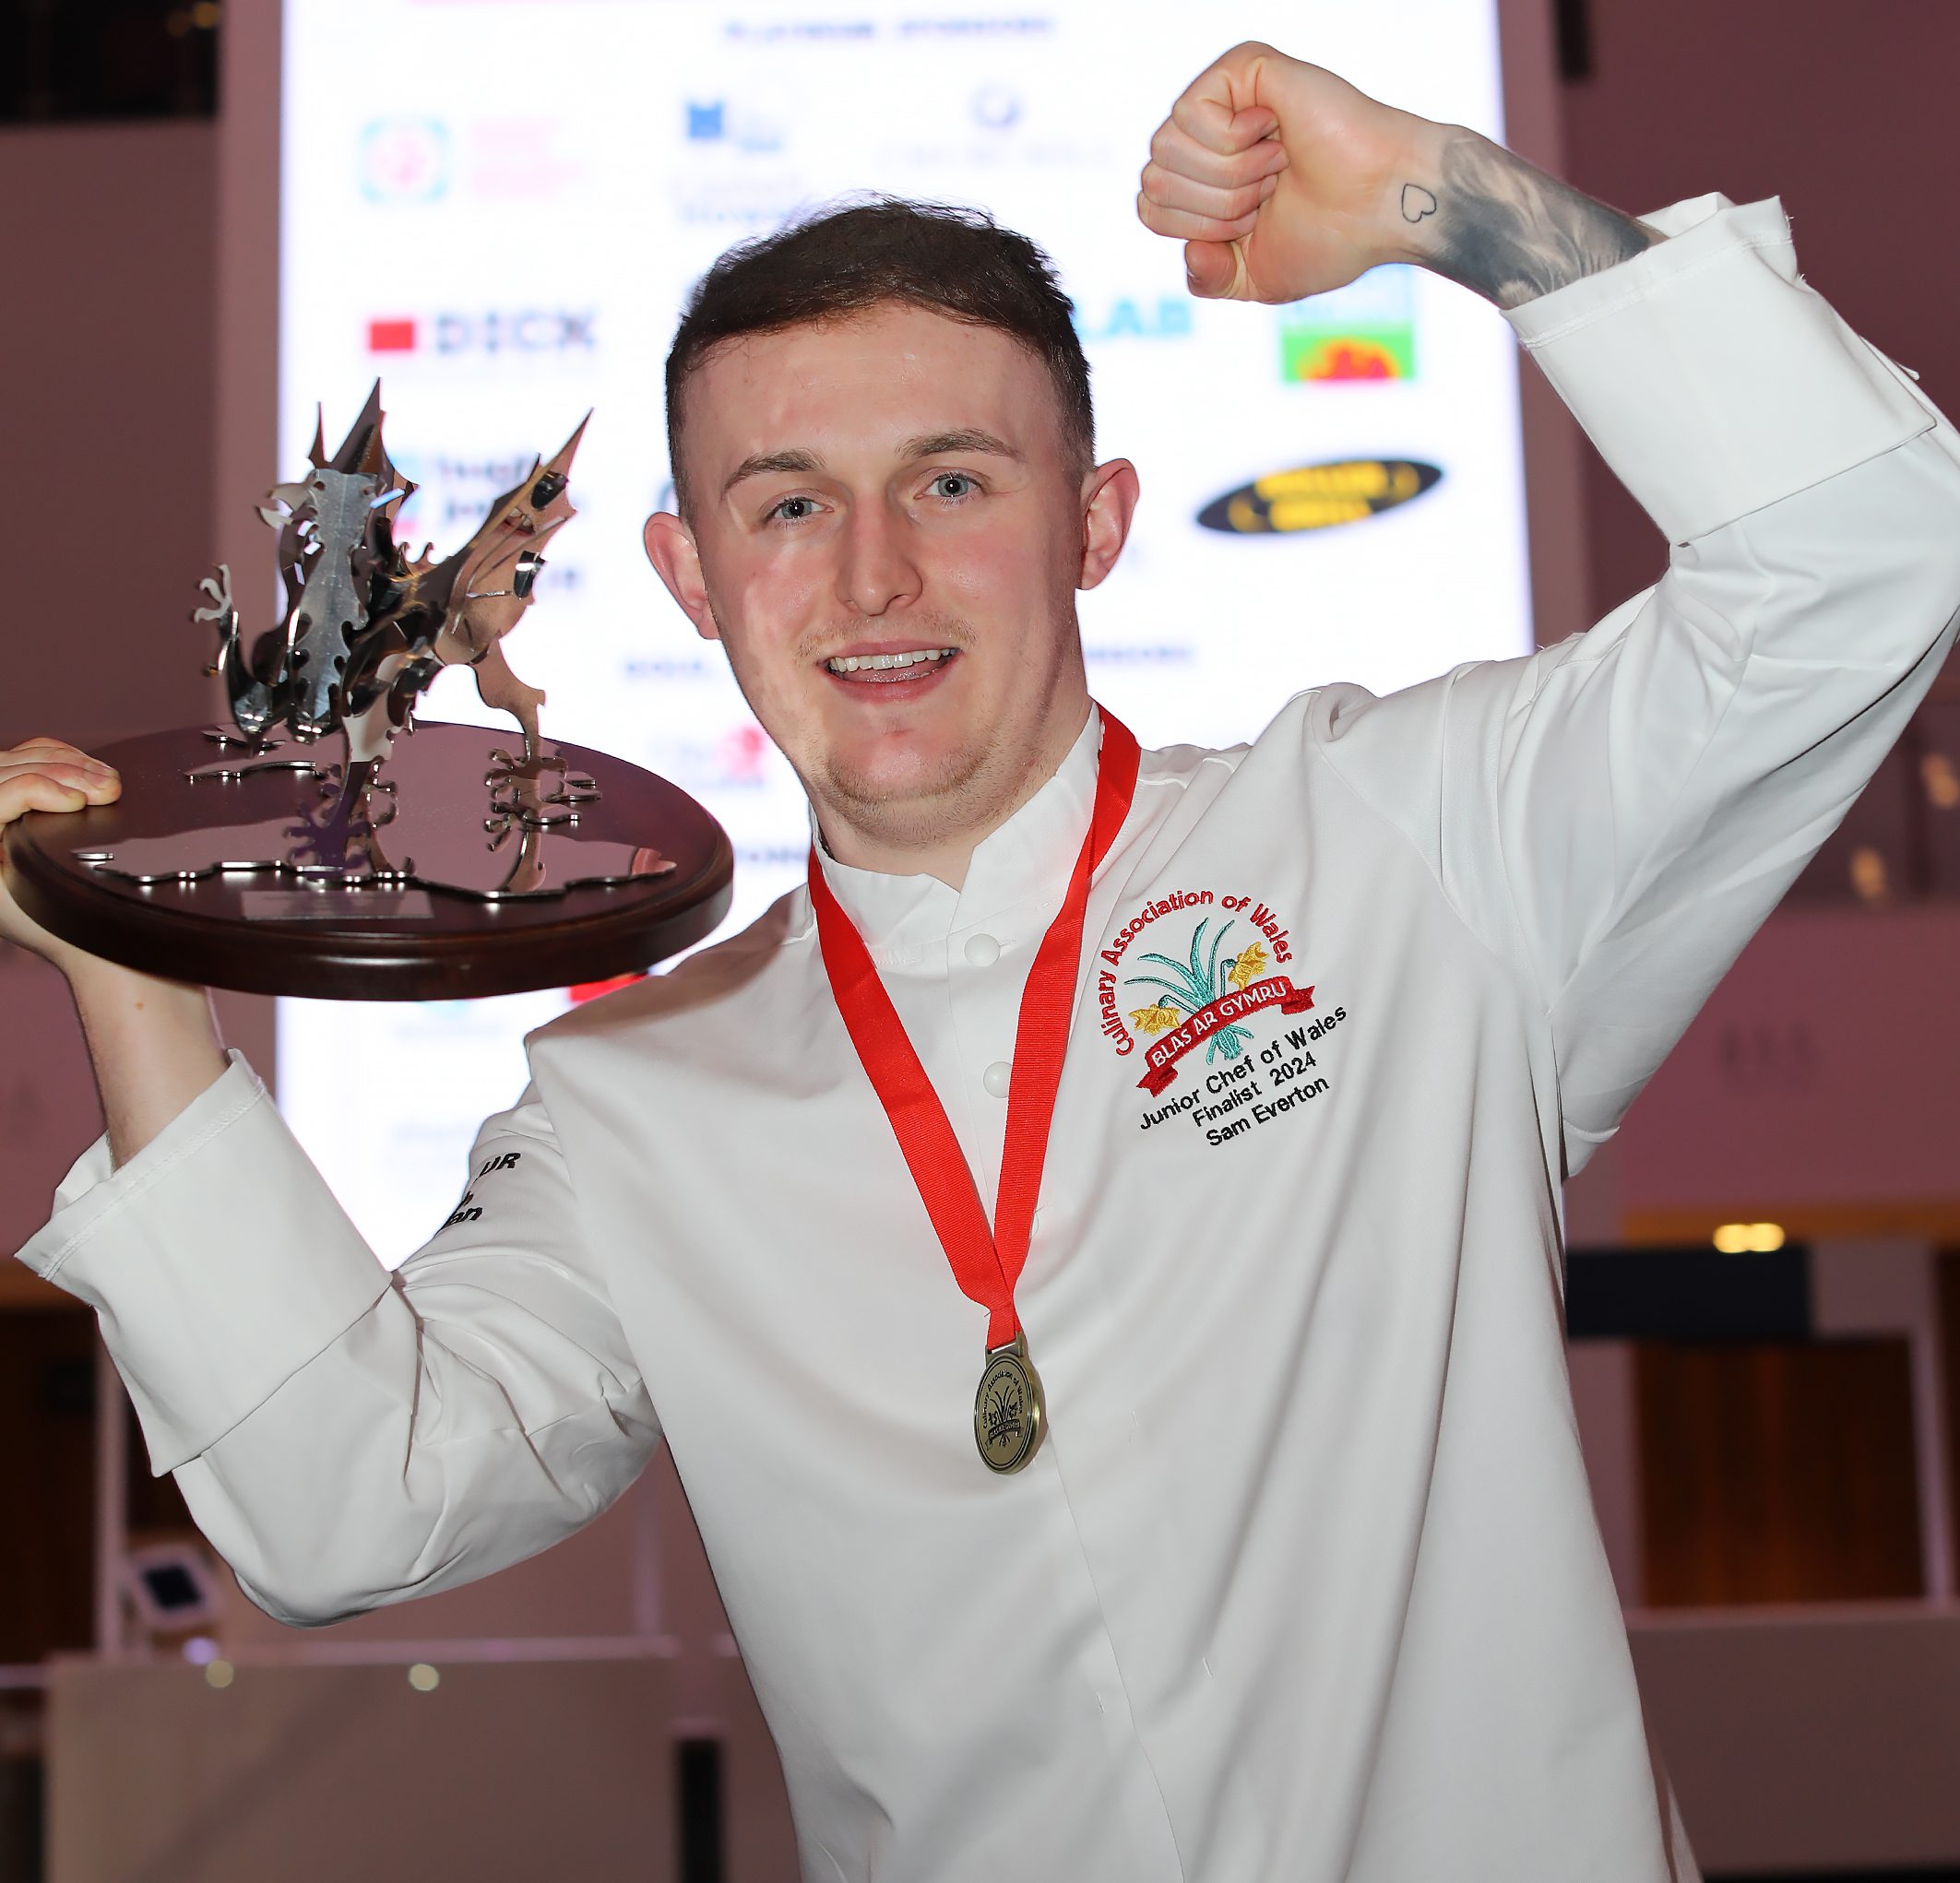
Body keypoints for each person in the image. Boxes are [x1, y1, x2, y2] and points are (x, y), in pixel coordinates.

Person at [6, 40, 1956, 1883]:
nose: (870, 580)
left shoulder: (1404, 842)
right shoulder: (635, 1098)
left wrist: (1445, 200)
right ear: (693, 578)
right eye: (786, 506)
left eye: (952, 481)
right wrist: (127, 961)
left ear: (1093, 521)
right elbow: (352, 1504)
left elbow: (1873, 550)